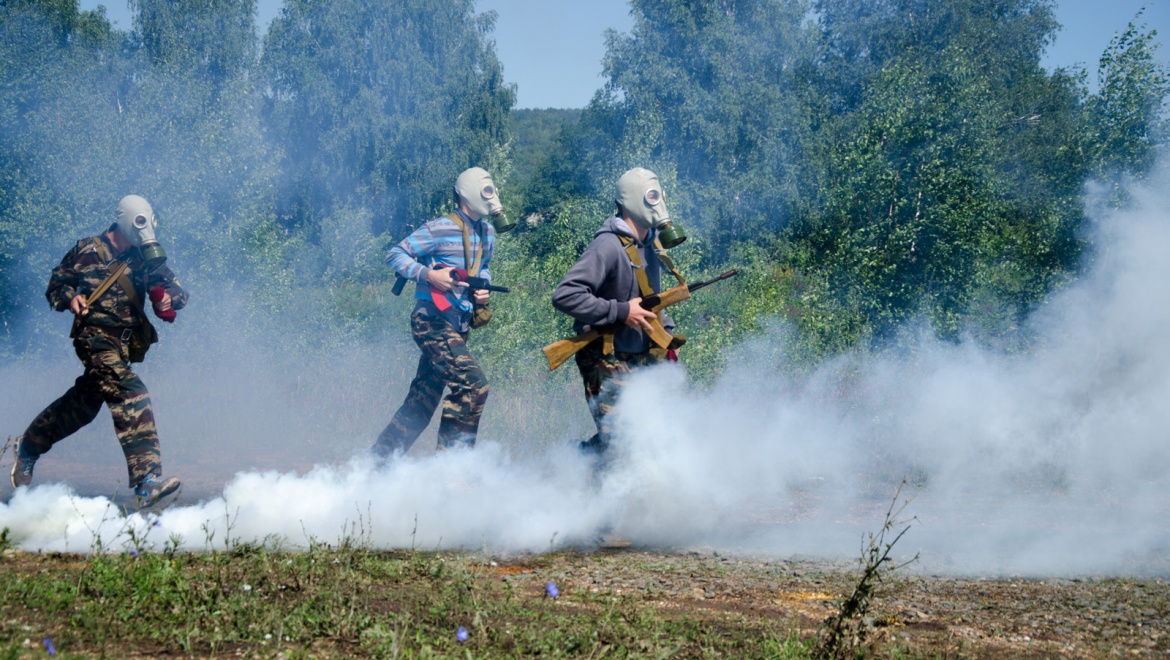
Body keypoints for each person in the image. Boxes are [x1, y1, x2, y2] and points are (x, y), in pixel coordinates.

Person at [10, 195, 188, 507]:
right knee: (129, 391)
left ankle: (29, 447)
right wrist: (70, 299)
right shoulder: (86, 250)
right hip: (93, 338)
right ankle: (147, 482)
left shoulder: (145, 256)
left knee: (82, 406)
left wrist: (168, 300)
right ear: (125, 221)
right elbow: (56, 285)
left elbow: (176, 290)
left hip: (123, 345)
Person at [372, 167, 513, 457]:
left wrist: (482, 289)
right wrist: (428, 275)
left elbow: (482, 268)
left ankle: (377, 465)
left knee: (420, 403)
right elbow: (395, 254)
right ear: (467, 194)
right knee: (474, 387)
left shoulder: (487, 232)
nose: (491, 196)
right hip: (431, 321)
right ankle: (450, 473)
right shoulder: (438, 228)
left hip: (458, 324)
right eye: (486, 190)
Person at [552, 167, 688, 458]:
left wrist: (668, 340)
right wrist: (621, 310)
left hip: (641, 354)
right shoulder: (608, 245)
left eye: (658, 195)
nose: (658, 202)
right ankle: (574, 467)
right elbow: (565, 295)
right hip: (605, 356)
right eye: (651, 196)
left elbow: (651, 299)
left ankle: (573, 461)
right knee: (620, 446)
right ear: (631, 201)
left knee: (649, 435)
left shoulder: (652, 243)